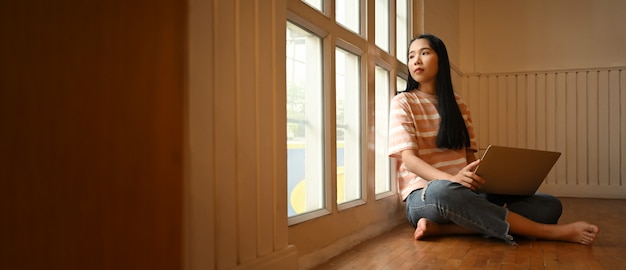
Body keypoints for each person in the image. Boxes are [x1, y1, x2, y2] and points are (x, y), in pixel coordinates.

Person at [388, 34, 599, 245]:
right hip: (426, 197)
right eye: (411, 56)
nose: (416, 60)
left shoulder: (457, 104)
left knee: (549, 206)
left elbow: (470, 157)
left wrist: (488, 180)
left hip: (466, 193)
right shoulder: (403, 102)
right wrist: (450, 179)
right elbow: (409, 160)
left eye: (424, 53)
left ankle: (446, 229)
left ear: (441, 59)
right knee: (443, 190)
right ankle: (547, 232)